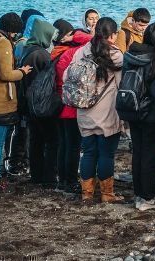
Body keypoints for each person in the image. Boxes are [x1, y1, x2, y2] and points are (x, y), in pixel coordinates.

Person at [0, 12, 31, 199]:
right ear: (12, 31)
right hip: (1, 101)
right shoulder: (3, 43)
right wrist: (23, 72)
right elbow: (6, 74)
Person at [74, 17, 125, 203]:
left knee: (88, 153)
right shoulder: (117, 56)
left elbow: (67, 76)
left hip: (84, 111)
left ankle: (86, 193)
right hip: (108, 113)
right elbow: (121, 85)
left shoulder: (80, 52)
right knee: (106, 154)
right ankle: (107, 194)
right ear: (113, 35)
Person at [125, 22, 155, 211]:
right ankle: (147, 196)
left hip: (132, 108)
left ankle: (138, 193)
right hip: (151, 112)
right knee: (151, 154)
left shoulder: (132, 54)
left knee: (138, 152)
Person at [51, 19, 88, 196]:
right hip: (71, 105)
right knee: (73, 146)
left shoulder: (57, 51)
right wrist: (78, 35)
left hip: (58, 103)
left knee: (64, 144)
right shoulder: (73, 52)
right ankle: (70, 181)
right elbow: (94, 40)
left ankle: (62, 181)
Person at [19, 19, 58, 186]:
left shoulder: (27, 50)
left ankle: (36, 176)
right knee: (51, 141)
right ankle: (49, 178)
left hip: (29, 104)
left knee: (35, 141)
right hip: (41, 105)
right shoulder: (41, 55)